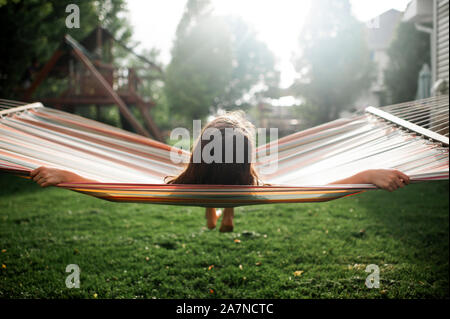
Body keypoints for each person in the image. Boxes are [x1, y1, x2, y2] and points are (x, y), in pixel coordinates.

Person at [30, 111, 410, 232]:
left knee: (202, 186)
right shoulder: (252, 183)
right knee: (237, 190)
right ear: (248, 162)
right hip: (236, 186)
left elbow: (111, 189)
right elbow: (320, 189)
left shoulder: (186, 180)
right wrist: (369, 174)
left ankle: (214, 208)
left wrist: (67, 176)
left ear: (198, 154)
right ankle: (225, 209)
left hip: (201, 183)